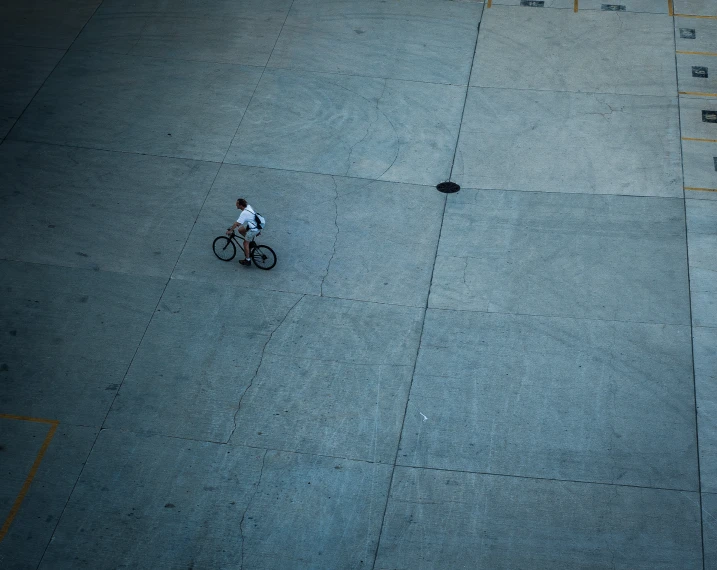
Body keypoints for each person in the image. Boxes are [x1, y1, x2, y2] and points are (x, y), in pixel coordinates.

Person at [227, 198, 259, 266]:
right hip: (255, 225)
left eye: (237, 204)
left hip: (253, 229)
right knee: (240, 230)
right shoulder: (248, 206)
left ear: (240, 205)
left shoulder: (244, 213)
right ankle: (250, 241)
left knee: (245, 243)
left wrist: (231, 230)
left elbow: (237, 223)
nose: (236, 205)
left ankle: (247, 260)